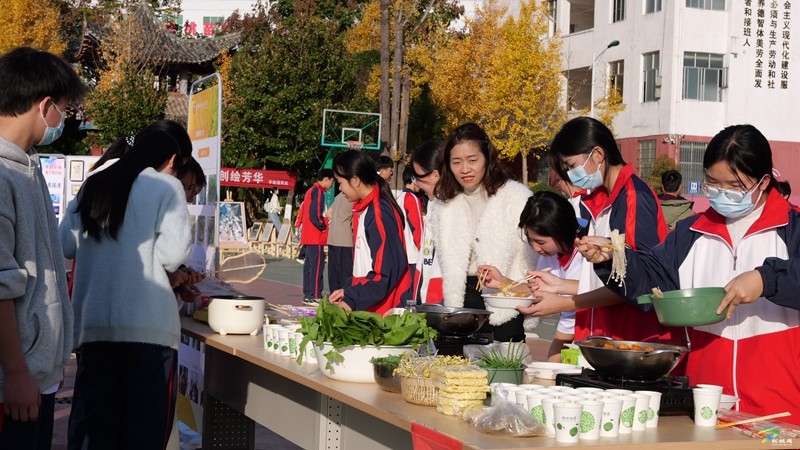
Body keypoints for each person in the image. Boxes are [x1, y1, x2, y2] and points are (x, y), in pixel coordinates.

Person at [578, 124, 800, 425]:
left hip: (783, 408)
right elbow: (652, 279)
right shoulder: (691, 232)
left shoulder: (792, 228)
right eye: (713, 183)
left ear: (763, 182)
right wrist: (614, 258)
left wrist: (766, 279)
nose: (723, 193)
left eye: (735, 185)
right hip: (707, 402)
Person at [60, 128, 192, 449]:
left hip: (94, 327)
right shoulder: (166, 187)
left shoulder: (94, 183)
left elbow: (65, 244)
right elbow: (172, 255)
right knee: (143, 433)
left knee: (93, 430)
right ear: (172, 160)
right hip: (149, 331)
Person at [519, 116, 680, 347]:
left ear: (597, 155)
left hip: (630, 339)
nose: (570, 175)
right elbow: (604, 279)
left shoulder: (633, 198)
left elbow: (639, 283)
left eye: (571, 166)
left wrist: (564, 303)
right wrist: (558, 285)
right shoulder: (598, 199)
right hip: (603, 333)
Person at [0, 46, 85, 450]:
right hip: (13, 380)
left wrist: (51, 359)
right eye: (64, 110)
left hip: (35, 372)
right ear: (45, 105)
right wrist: (17, 372)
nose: (62, 120)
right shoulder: (3, 175)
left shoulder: (28, 164)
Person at [429, 123, 538, 342]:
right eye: (456, 162)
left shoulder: (516, 197)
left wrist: (524, 296)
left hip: (505, 302)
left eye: (472, 160)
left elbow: (531, 259)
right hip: (460, 302)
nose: (465, 169)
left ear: (487, 158)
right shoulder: (443, 203)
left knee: (503, 360)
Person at [479, 191, 588, 361]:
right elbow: (538, 289)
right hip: (571, 331)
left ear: (561, 231)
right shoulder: (550, 254)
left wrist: (552, 364)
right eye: (531, 241)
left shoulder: (588, 254)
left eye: (541, 242)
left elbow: (597, 292)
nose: (536, 248)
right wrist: (502, 283)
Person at [328, 150, 410, 314]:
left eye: (340, 182)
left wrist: (352, 299)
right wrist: (348, 289)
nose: (340, 188)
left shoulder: (378, 214)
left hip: (383, 310)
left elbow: (385, 272)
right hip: (371, 304)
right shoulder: (366, 208)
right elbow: (365, 265)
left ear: (355, 181)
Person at [410, 141, 444, 304]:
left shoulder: (448, 207)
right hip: (427, 295)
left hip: (441, 300)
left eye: (418, 177)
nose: (416, 183)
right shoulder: (433, 203)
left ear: (435, 175)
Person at [300, 169, 334, 304]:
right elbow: (315, 214)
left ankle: (308, 294)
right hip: (316, 236)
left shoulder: (311, 191)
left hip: (309, 235)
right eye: (332, 181)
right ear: (326, 179)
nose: (332, 185)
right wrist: (324, 225)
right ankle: (315, 295)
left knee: (309, 265)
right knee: (317, 265)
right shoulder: (318, 191)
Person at [396, 166, 424, 302]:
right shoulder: (412, 198)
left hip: (401, 253)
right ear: (413, 179)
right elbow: (418, 228)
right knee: (415, 297)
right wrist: (424, 251)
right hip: (413, 256)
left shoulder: (398, 198)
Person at [326, 191, 354, 292]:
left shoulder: (338, 197)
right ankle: (345, 297)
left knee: (334, 274)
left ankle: (334, 296)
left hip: (332, 238)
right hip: (345, 239)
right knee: (346, 274)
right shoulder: (353, 196)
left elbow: (328, 213)